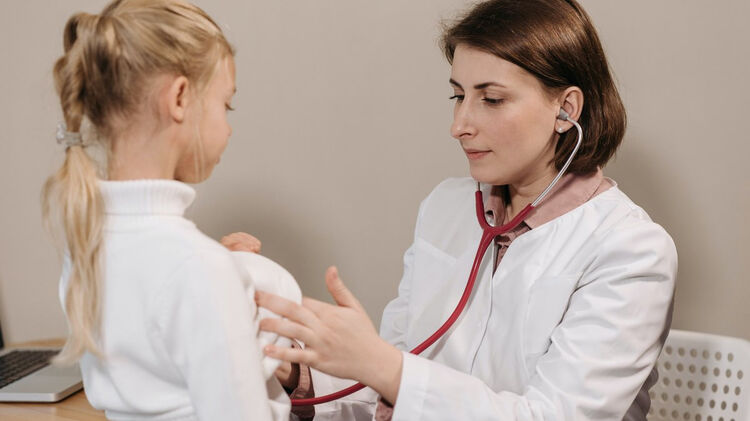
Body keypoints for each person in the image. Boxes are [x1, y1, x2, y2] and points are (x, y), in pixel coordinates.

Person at [255, 0, 678, 419]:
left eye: (491, 99)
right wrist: (293, 367)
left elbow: (553, 415)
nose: (459, 126)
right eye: (458, 96)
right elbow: (387, 390)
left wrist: (385, 367)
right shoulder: (445, 208)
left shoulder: (630, 251)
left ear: (565, 110)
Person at [42, 1, 303, 419]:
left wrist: (221, 274)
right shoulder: (200, 269)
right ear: (180, 98)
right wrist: (218, 277)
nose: (229, 127)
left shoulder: (86, 247)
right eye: (226, 105)